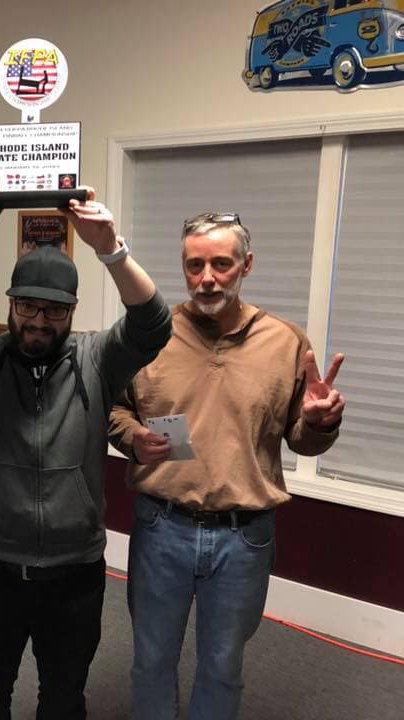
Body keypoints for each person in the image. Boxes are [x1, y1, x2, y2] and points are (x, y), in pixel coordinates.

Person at [0, 187, 172, 719]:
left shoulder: (98, 357)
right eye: (26, 305)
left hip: (73, 572)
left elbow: (153, 324)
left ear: (71, 311)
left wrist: (111, 249)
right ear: (10, 303)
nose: (37, 320)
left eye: (53, 310)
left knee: (62, 698)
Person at [107, 212, 346, 720]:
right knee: (151, 661)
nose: (207, 277)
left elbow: (302, 442)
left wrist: (319, 423)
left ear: (246, 265)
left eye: (221, 263)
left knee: (221, 665)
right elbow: (114, 407)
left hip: (243, 538)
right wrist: (131, 436)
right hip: (161, 525)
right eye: (195, 266)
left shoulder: (286, 342)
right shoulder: (149, 335)